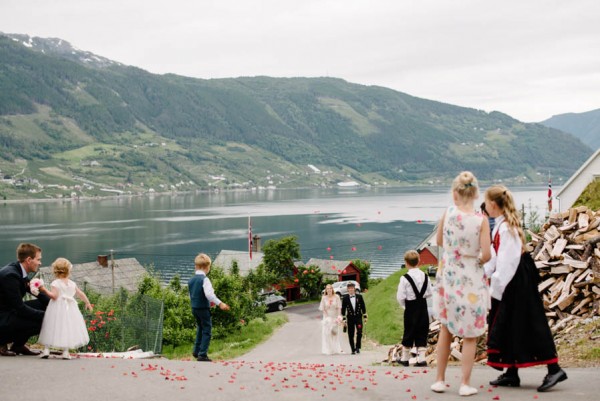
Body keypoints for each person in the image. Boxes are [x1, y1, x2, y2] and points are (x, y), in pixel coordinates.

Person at [483, 185, 567, 392]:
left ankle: (554, 368)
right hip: (514, 278)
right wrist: (484, 271)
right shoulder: (501, 226)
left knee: (530, 321)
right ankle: (512, 371)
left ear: (493, 205)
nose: (484, 206)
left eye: (486, 202)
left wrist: (496, 287)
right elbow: (495, 256)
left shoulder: (506, 228)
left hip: (516, 280)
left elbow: (508, 263)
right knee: (512, 324)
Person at [431, 171, 491, 396]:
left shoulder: (447, 213)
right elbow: (486, 254)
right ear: (475, 194)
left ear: (455, 193)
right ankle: (465, 383)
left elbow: (438, 241)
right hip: (471, 281)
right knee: (470, 334)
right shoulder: (481, 221)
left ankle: (439, 379)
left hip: (449, 277)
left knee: (446, 328)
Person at [0, 243, 50, 356]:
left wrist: (56, 306)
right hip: (2, 318)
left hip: (9, 312)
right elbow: (20, 308)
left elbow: (37, 293)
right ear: (28, 260)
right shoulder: (10, 276)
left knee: (44, 305)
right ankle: (2, 341)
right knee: (43, 320)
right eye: (38, 259)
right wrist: (47, 315)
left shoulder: (18, 270)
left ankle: (18, 346)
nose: (40, 263)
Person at [37, 258, 93, 359]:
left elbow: (54, 296)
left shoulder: (55, 283)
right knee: (67, 327)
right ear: (68, 270)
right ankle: (66, 352)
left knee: (52, 325)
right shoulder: (72, 283)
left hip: (56, 308)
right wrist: (87, 303)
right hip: (70, 308)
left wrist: (43, 290)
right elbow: (80, 293)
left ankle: (46, 349)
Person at [188, 253, 230, 362]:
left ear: (196, 266)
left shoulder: (191, 280)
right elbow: (209, 295)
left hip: (194, 308)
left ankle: (196, 350)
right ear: (207, 268)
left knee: (200, 328)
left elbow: (192, 295)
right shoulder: (205, 280)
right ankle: (202, 354)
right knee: (207, 330)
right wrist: (220, 303)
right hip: (203, 308)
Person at [396, 250, 432, 367]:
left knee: (409, 331)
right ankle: (421, 359)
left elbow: (400, 296)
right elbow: (429, 292)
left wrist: (405, 306)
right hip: (422, 305)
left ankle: (405, 358)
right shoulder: (425, 276)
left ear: (406, 262)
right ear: (418, 261)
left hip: (410, 306)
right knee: (422, 330)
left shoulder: (404, 278)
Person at [341, 282, 367, 355]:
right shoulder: (345, 298)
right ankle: (352, 349)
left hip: (358, 317)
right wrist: (344, 319)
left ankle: (358, 347)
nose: (351, 290)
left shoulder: (359, 296)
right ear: (348, 289)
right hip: (350, 318)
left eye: (352, 288)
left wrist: (364, 316)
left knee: (359, 332)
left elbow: (363, 306)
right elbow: (343, 309)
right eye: (349, 288)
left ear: (354, 289)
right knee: (351, 334)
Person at [319, 284, 343, 355]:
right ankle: (328, 349)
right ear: (326, 290)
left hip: (335, 317)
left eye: (330, 288)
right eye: (327, 289)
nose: (329, 290)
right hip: (327, 318)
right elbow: (323, 309)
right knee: (327, 334)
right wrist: (327, 318)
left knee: (334, 333)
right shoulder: (323, 298)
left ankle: (335, 349)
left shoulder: (337, 297)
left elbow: (339, 307)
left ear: (332, 289)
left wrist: (338, 317)